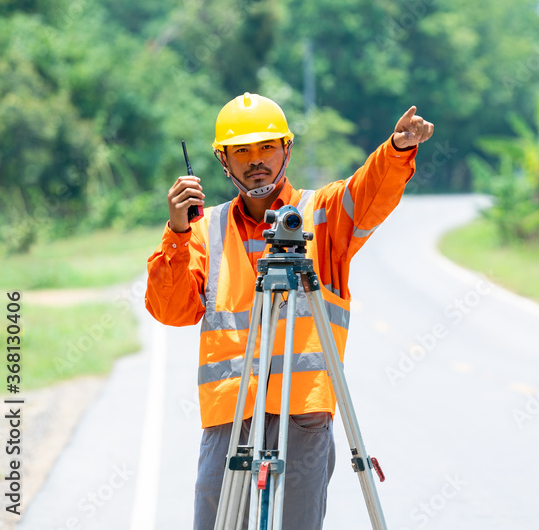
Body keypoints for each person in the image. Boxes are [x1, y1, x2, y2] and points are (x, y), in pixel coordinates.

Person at [144, 92, 434, 529]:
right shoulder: (204, 231)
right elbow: (171, 311)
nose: (255, 160)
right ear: (223, 160)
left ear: (286, 149)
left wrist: (396, 151)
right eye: (242, 150)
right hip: (231, 414)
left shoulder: (323, 215)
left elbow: (369, 191)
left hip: (303, 413)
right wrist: (178, 232)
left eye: (266, 147)